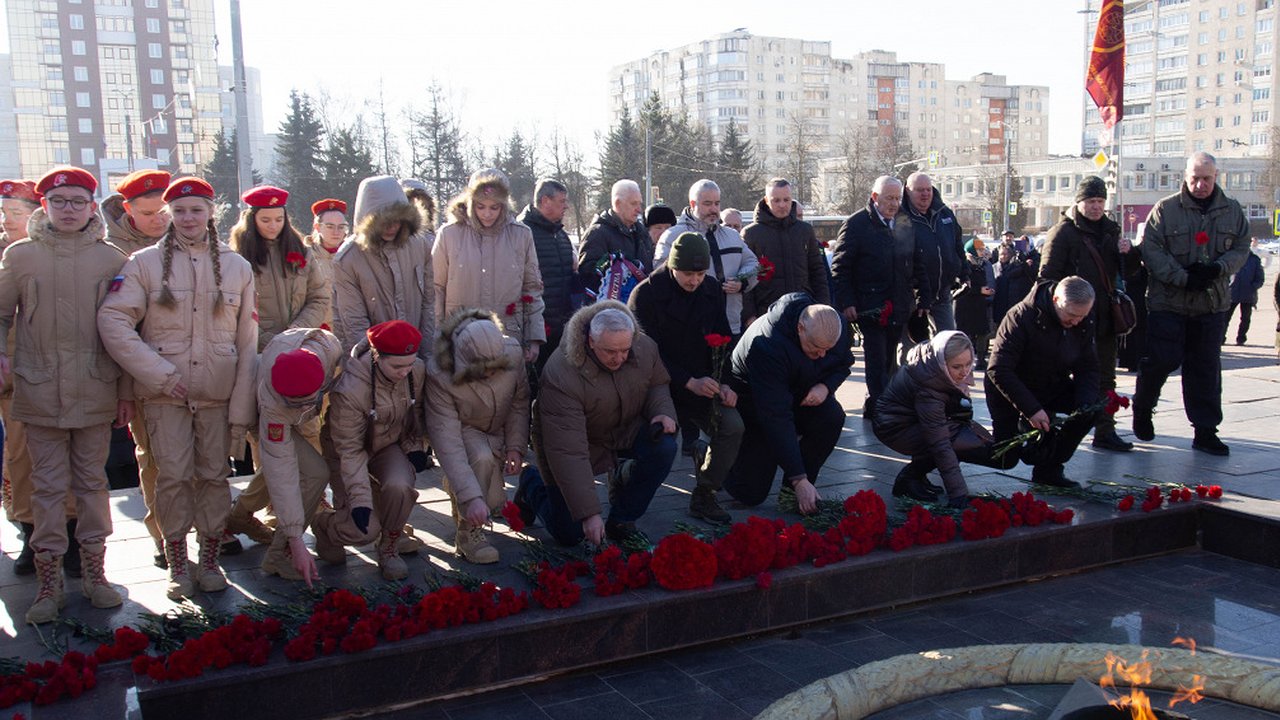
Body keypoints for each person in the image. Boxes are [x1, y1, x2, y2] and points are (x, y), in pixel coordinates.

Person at [98, 176, 257, 600]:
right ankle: (177, 564)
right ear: (170, 214)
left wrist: (241, 406)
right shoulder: (144, 264)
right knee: (171, 479)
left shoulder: (238, 268)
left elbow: (247, 341)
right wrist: (158, 374)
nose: (188, 218)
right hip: (164, 395)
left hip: (217, 394)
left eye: (196, 210)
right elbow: (113, 320)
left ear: (211, 213)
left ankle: (210, 561)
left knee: (215, 477)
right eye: (180, 211)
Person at [0, 166, 131, 624]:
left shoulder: (111, 259)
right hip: (39, 391)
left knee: (93, 485)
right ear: (45, 206)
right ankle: (49, 583)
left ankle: (95, 574)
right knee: (47, 487)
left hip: (95, 388)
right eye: (59, 201)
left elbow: (127, 330)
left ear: (92, 206)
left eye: (78, 201)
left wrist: (125, 392)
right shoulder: (21, 256)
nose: (69, 210)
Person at [517, 302, 677, 546]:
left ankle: (623, 519)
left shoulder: (643, 346)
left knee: (664, 446)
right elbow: (569, 451)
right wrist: (590, 514)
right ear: (590, 341)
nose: (619, 358)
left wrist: (662, 412)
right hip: (576, 443)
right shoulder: (561, 373)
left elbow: (657, 383)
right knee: (570, 534)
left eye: (625, 350)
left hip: (624, 428)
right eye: (610, 351)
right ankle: (531, 482)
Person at [224, 185, 330, 548]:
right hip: (256, 358)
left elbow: (319, 296)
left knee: (309, 430)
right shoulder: (237, 257)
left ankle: (311, 502)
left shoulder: (301, 252)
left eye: (279, 219)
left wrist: (296, 334)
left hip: (299, 354)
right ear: (251, 219)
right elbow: (232, 311)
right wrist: (268, 341)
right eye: (265, 220)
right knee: (270, 442)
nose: (273, 226)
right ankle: (267, 510)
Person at [1133, 152, 1252, 456]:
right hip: (1168, 303)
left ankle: (1205, 430)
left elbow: (1241, 248)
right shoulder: (1166, 209)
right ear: (1184, 177)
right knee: (1162, 360)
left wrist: (1216, 269)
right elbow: (1152, 251)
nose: (1200, 185)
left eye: (1206, 179)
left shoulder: (1232, 210)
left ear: (1216, 177)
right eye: (1195, 178)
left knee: (1205, 369)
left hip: (1211, 305)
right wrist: (1183, 278)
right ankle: (1143, 406)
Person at [629, 232, 744, 523]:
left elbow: (723, 340)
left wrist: (725, 382)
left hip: (703, 384)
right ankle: (625, 494)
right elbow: (646, 354)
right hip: (660, 387)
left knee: (732, 426)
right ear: (672, 266)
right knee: (659, 444)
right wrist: (687, 381)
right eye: (688, 274)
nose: (695, 281)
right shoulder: (646, 295)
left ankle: (705, 492)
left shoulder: (711, 289)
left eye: (701, 274)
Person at [312, 320, 425, 580]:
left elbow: (413, 412)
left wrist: (414, 447)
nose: (404, 372)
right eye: (397, 366)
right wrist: (361, 502)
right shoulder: (350, 389)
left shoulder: (415, 370)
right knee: (363, 530)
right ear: (377, 357)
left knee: (400, 486)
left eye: (409, 364)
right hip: (346, 452)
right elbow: (350, 450)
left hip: (387, 444)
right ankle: (325, 525)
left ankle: (389, 545)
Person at [1039, 175, 1142, 452]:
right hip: (1070, 320)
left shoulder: (1110, 230)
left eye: (1100, 201)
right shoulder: (1063, 233)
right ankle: (1050, 428)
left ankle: (1105, 430)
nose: (1096, 207)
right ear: (1079, 202)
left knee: (1105, 377)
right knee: (1057, 376)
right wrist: (1060, 310)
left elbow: (1128, 271)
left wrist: (1130, 253)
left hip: (1104, 319)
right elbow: (1046, 278)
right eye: (1090, 201)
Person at [101, 169, 172, 566]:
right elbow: (115, 326)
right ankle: (163, 534)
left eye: (164, 212)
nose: (159, 220)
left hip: (193, 368)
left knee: (202, 457)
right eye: (147, 213)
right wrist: (125, 388)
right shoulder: (111, 252)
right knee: (154, 457)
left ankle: (208, 527)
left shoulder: (190, 239)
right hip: (140, 371)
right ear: (127, 209)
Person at [725, 293, 852, 513]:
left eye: (827, 349)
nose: (823, 354)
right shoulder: (767, 343)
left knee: (831, 417)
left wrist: (825, 386)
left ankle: (793, 494)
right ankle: (713, 461)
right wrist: (798, 477)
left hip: (800, 392)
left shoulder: (833, 326)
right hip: (756, 400)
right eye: (816, 348)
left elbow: (843, 363)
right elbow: (776, 416)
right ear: (800, 328)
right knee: (749, 493)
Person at [425, 309, 528, 564]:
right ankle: (468, 533)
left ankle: (461, 487)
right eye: (484, 369)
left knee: (493, 503)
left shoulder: (513, 352)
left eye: (496, 368)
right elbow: (447, 439)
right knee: (480, 463)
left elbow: (519, 402)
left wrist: (515, 447)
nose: (491, 375)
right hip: (465, 430)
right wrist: (471, 498)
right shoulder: (440, 374)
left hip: (497, 430)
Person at [873, 331, 1015, 507]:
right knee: (952, 439)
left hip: (907, 421)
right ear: (942, 362)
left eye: (968, 364)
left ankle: (915, 477)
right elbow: (940, 441)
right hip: (893, 428)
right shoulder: (930, 387)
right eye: (957, 367)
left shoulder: (934, 365)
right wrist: (958, 495)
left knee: (957, 436)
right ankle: (908, 479)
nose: (964, 372)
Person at [984, 277, 1101, 488]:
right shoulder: (1021, 316)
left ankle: (1050, 468)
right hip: (1010, 390)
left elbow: (1088, 367)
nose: (1076, 322)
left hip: (1051, 385)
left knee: (1092, 408)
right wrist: (1031, 410)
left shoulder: (1083, 320)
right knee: (1005, 457)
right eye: (1072, 315)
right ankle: (946, 451)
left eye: (1082, 316)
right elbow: (999, 370)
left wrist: (1085, 402)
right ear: (1056, 300)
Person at [254, 328, 343, 585]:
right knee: (308, 471)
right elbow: (281, 471)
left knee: (309, 471)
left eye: (308, 400)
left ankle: (239, 516)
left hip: (298, 416)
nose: (303, 406)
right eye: (296, 402)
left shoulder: (332, 350)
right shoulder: (272, 400)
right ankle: (279, 553)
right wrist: (295, 540)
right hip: (258, 411)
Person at [830, 175, 923, 418]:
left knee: (889, 358)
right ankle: (882, 408)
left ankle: (876, 405)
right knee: (876, 359)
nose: (894, 204)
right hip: (870, 306)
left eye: (898, 198)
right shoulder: (857, 224)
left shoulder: (904, 222)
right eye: (889, 198)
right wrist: (847, 302)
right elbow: (841, 267)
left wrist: (920, 295)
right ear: (874, 197)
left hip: (899, 304)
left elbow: (915, 261)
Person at [434, 168, 545, 364]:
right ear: (470, 203)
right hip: (459, 335)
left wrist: (534, 337)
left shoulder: (521, 235)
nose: (487, 214)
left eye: (494, 207)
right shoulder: (449, 234)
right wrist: (437, 335)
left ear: (504, 205)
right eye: (480, 207)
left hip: (507, 336)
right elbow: (435, 288)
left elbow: (532, 288)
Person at [332, 175, 435, 362]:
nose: (391, 227)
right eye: (383, 221)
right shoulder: (348, 259)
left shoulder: (419, 245)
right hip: (375, 359)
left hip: (416, 355)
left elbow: (428, 305)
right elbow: (354, 321)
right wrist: (375, 366)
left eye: (397, 219)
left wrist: (426, 356)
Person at [0, 179, 45, 576]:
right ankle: (28, 530)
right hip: (8, 375)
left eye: (17, 212)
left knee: (43, 460)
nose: (8, 220)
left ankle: (55, 537)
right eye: (4, 213)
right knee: (17, 458)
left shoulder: (41, 254)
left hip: (39, 373)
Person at [655, 180, 758, 337]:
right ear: (693, 204)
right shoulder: (673, 236)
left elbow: (753, 264)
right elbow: (661, 273)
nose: (714, 209)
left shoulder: (732, 236)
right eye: (707, 204)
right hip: (689, 326)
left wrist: (741, 282)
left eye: (717, 203)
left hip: (731, 323)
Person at [742, 178, 830, 324]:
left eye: (786, 200)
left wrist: (823, 307)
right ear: (766, 200)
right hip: (766, 314)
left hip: (804, 311)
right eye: (776, 200)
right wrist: (749, 316)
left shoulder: (805, 231)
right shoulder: (751, 234)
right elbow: (745, 277)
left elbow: (818, 272)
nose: (782, 205)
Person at [517, 179, 577, 372]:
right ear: (545, 201)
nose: (566, 206)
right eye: (562, 201)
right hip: (535, 330)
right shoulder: (521, 233)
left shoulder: (561, 235)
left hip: (562, 328)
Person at [903, 172, 965, 332]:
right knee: (912, 341)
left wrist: (964, 271)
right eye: (919, 190)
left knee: (949, 339)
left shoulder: (945, 213)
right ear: (908, 191)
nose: (925, 194)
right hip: (911, 294)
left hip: (941, 291)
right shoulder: (900, 217)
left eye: (928, 189)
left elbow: (957, 244)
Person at [578, 180, 652, 300]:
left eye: (640, 204)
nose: (639, 209)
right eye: (634, 204)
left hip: (642, 302)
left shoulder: (641, 232)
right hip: (611, 305)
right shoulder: (598, 233)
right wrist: (613, 266)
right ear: (618, 203)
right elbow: (587, 274)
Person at [306, 197, 349, 314]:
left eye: (341, 227)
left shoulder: (353, 256)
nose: (336, 232)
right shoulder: (305, 257)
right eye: (330, 226)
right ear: (317, 227)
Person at [954, 238, 993, 368]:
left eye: (982, 249)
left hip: (979, 305)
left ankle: (981, 360)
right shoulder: (963, 265)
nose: (982, 252)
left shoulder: (980, 265)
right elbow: (960, 286)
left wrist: (986, 290)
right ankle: (963, 360)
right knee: (965, 335)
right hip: (965, 306)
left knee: (982, 332)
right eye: (979, 250)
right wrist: (979, 290)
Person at [1225, 238, 1265, 345]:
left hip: (1248, 294)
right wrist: (1227, 286)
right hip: (1233, 293)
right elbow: (1226, 273)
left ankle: (1241, 338)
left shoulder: (1254, 260)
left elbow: (1260, 277)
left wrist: (1253, 287)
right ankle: (1221, 337)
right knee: (1226, 317)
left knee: (1245, 318)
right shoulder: (1233, 258)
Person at [992, 243, 1034, 328]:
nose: (1003, 256)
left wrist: (1025, 264)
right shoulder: (994, 268)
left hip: (1013, 305)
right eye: (1001, 254)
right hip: (999, 306)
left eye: (1005, 254)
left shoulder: (1019, 268)